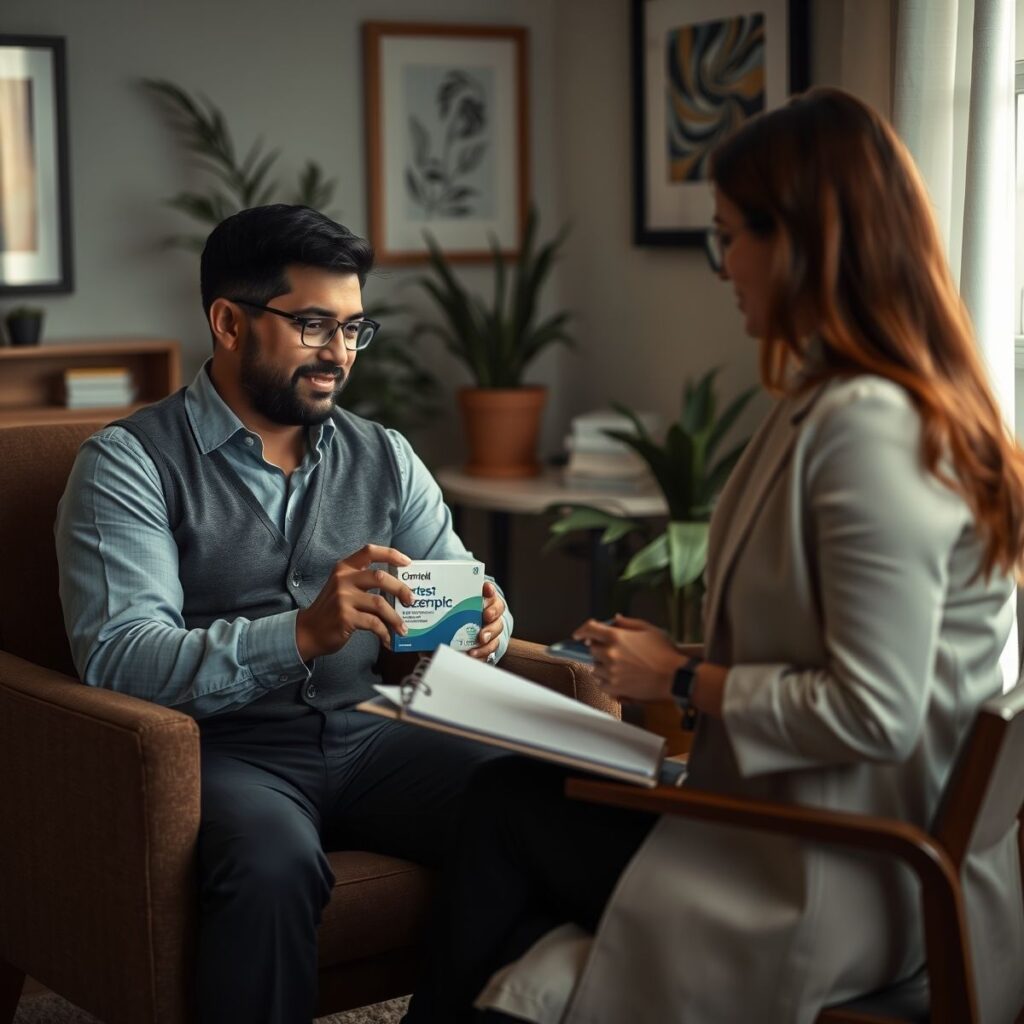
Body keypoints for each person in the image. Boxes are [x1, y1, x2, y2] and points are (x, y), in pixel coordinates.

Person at [402, 87, 1024, 1024]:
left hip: (838, 868)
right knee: (516, 834)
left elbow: (877, 711)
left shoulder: (868, 432)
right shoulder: (857, 403)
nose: (723, 264)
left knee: (506, 815)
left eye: (731, 236)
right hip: (845, 832)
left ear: (804, 244)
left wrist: (687, 676)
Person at [55, 204, 514, 1024]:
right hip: (227, 753)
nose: (338, 354)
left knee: (537, 799)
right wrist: (304, 632)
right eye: (312, 325)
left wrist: (485, 623)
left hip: (375, 731)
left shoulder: (385, 454)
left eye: (352, 328)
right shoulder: (127, 464)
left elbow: (453, 594)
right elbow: (121, 658)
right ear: (229, 323)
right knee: (272, 865)